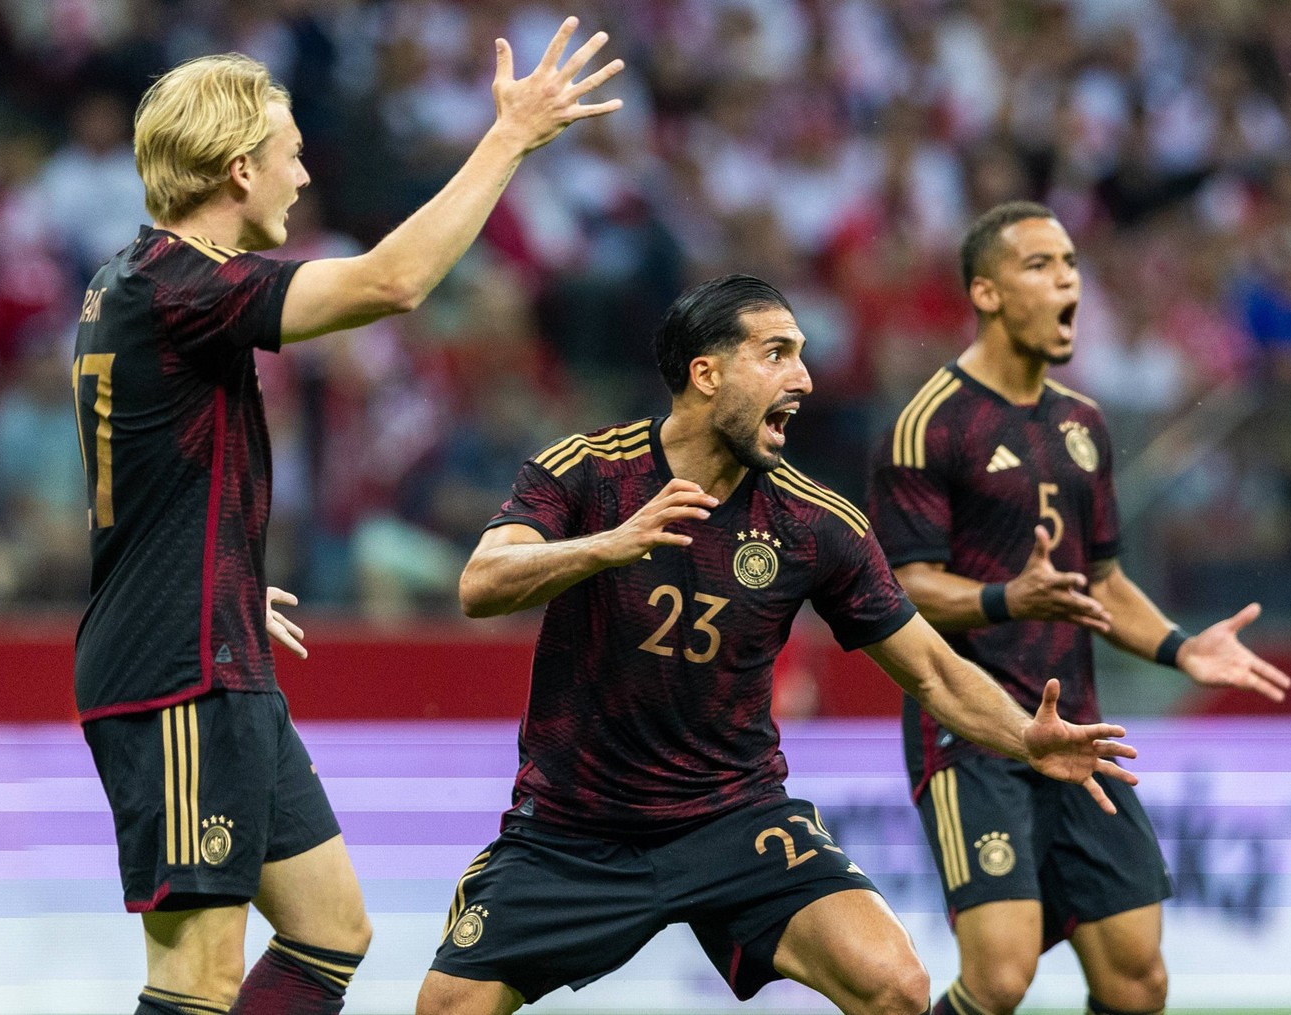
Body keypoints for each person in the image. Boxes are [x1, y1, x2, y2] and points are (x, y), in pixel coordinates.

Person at [70, 20, 622, 1015]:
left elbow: (149, 469)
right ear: (239, 168)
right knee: (194, 975)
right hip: (177, 666)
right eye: (290, 152)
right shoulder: (180, 285)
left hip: (205, 638)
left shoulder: (133, 283)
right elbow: (391, 282)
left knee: (330, 928)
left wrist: (223, 574)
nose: (303, 171)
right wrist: (508, 140)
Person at [416, 274, 1141, 1015]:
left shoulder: (816, 521)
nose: (805, 377)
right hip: (574, 828)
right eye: (778, 353)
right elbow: (482, 583)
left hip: (733, 818)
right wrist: (610, 544)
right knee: (445, 1008)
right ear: (707, 372)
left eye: (801, 354)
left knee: (898, 987)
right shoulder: (589, 469)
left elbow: (933, 670)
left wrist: (1027, 736)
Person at [865, 201, 1291, 1015]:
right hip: (973, 733)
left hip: (1078, 727)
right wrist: (1005, 597)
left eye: (1070, 264)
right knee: (999, 976)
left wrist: (1179, 647)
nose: (1067, 280)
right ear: (986, 292)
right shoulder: (928, 425)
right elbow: (900, 588)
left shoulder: (1082, 422)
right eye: (1040, 265)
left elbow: (1102, 581)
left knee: (1138, 980)